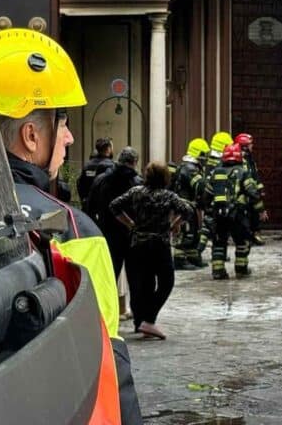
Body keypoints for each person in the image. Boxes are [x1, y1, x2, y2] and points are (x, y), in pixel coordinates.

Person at [0, 28, 142, 424]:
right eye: (61, 122)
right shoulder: (74, 229)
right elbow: (108, 364)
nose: (68, 137)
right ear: (31, 135)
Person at [110, 163, 195, 340]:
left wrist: (129, 223)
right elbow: (188, 211)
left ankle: (140, 322)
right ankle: (149, 319)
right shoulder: (168, 195)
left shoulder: (136, 192)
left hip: (137, 244)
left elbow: (114, 206)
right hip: (159, 244)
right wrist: (174, 224)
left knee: (141, 284)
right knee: (166, 282)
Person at [203, 144, 265, 280]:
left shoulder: (216, 172)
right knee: (242, 242)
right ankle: (241, 270)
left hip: (219, 215)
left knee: (219, 243)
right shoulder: (243, 172)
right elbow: (253, 192)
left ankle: (218, 271)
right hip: (238, 215)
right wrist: (261, 210)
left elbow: (207, 194)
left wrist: (209, 210)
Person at [87, 146, 144, 279]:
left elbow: (90, 206)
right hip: (131, 234)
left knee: (110, 275)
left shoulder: (101, 179)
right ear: (135, 162)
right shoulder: (138, 182)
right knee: (135, 278)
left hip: (107, 232)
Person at [170, 138, 210, 269]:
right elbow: (200, 185)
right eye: (204, 155)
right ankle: (179, 260)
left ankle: (193, 257)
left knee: (194, 232)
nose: (205, 158)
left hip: (190, 205)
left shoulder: (189, 167)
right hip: (185, 206)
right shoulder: (189, 169)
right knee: (186, 232)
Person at [197, 131, 233, 259]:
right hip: (217, 197)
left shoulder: (208, 160)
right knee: (218, 227)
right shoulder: (220, 163)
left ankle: (199, 251)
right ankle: (213, 253)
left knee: (207, 225)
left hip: (207, 196)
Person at [235, 133, 267, 246]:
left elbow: (255, 175)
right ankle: (245, 236)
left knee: (254, 213)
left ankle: (254, 233)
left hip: (251, 191)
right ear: (244, 146)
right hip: (243, 193)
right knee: (245, 215)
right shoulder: (239, 160)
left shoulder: (250, 160)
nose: (252, 146)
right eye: (250, 144)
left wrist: (260, 189)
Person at [78, 137, 114, 202]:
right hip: (105, 204)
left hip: (90, 203)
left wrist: (84, 199)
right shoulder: (112, 166)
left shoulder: (87, 166)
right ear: (108, 149)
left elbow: (80, 184)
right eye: (111, 147)